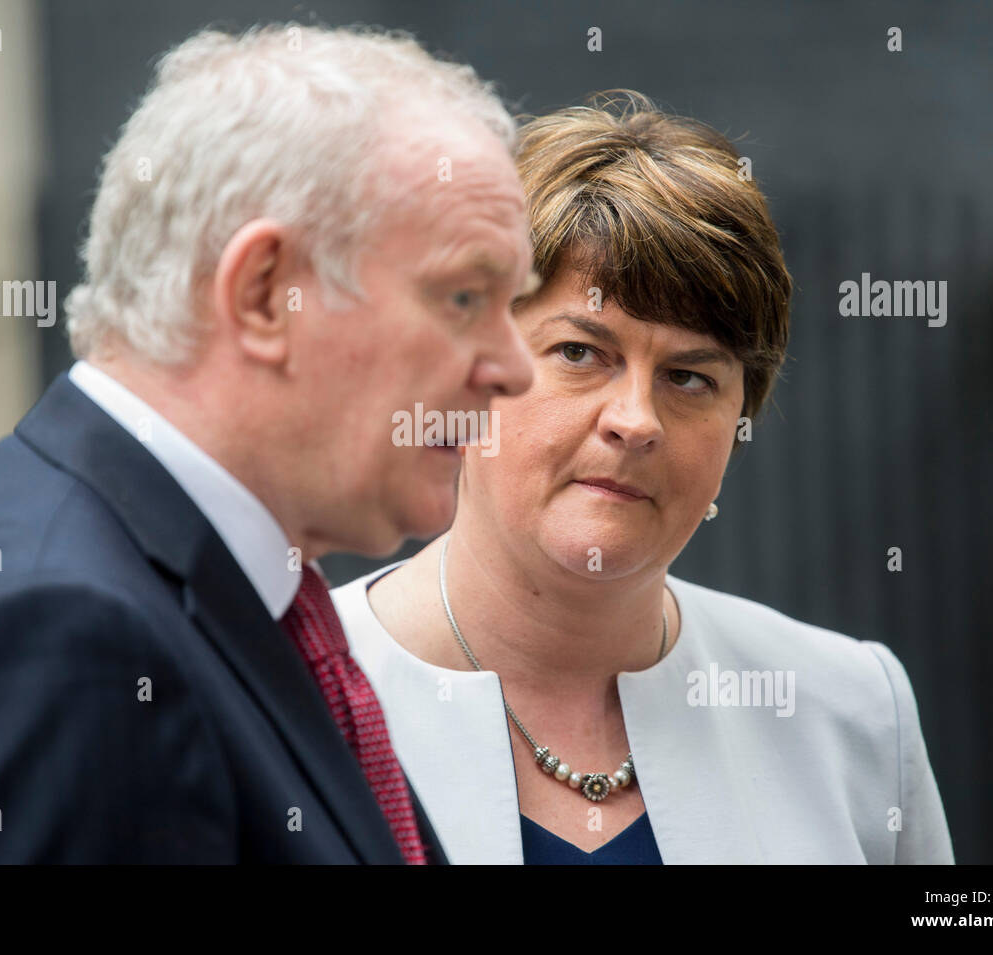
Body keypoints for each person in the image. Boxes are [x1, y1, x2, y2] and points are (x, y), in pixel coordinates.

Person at [0, 24, 537, 864]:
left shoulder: (181, 583)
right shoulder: (67, 638)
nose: (513, 367)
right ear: (264, 294)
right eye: (464, 297)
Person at [330, 90, 956, 864]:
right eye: (580, 352)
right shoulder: (291, 696)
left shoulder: (850, 709)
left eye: (690, 377)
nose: (636, 419)